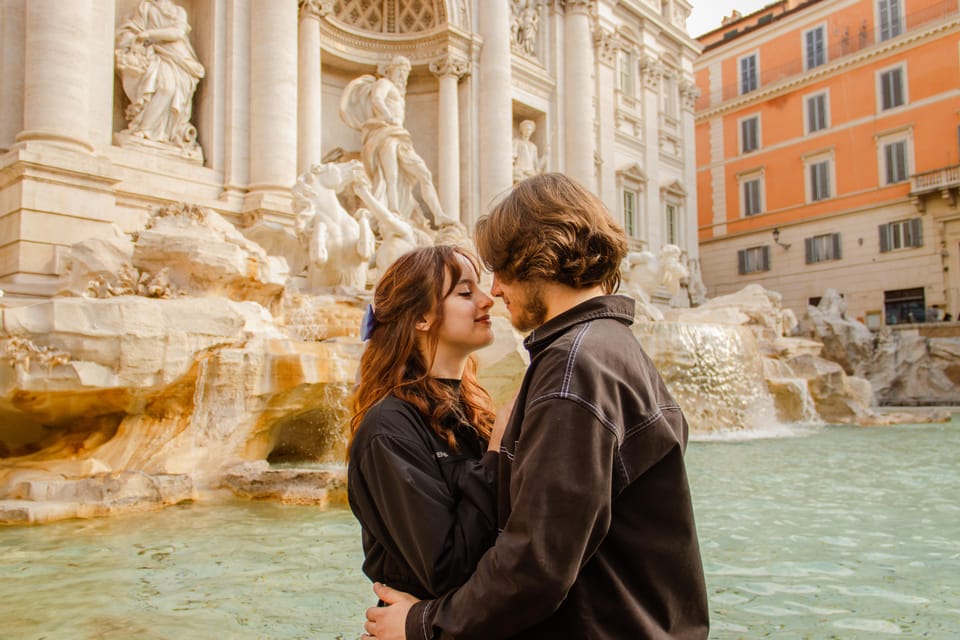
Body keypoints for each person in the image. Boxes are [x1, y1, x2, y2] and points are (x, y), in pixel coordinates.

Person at [363, 173, 709, 639]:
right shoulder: (605, 350)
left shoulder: (573, 368)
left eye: (501, 270)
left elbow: (536, 564)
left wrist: (424, 624)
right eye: (469, 290)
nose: (497, 291)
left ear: (537, 259)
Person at [348, 245, 505, 601]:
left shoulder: (474, 408)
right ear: (422, 317)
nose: (487, 300)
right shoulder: (388, 429)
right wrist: (497, 453)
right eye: (466, 292)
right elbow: (448, 570)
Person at [340, 56, 454, 230]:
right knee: (390, 176)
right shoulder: (384, 83)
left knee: (424, 173)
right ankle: (393, 210)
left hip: (400, 136)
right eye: (400, 70)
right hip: (385, 135)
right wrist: (386, 115)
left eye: (405, 72)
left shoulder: (400, 94)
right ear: (391, 70)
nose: (403, 75)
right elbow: (377, 99)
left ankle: (438, 214)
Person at [115, 0, 205, 151]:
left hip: (178, 56)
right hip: (153, 53)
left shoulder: (178, 11)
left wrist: (149, 34)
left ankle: (157, 132)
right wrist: (133, 39)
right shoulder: (145, 7)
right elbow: (132, 29)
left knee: (168, 89)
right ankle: (145, 130)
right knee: (164, 87)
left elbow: (178, 32)